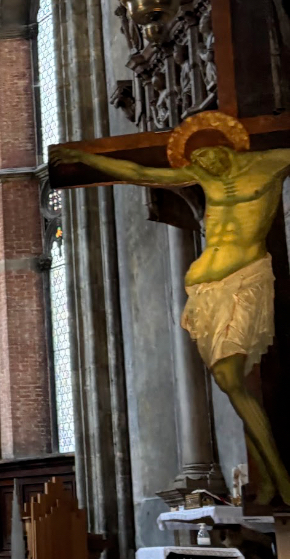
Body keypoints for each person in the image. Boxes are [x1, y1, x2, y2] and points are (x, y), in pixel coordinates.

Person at [56, 110, 290, 503]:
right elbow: (139, 173)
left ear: (227, 144)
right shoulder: (206, 178)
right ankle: (269, 477)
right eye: (197, 162)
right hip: (205, 290)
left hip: (244, 279)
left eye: (210, 155)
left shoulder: (271, 162)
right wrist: (88, 158)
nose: (206, 166)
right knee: (229, 384)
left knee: (234, 381)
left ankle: (281, 479)